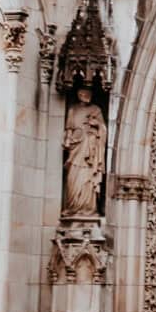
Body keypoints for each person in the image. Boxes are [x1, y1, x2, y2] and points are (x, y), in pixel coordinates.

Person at [63, 86, 107, 217]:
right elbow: (69, 129)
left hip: (90, 148)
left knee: (87, 178)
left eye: (89, 92)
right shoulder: (73, 110)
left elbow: (103, 129)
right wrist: (67, 140)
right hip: (76, 147)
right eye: (83, 92)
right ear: (79, 94)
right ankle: (73, 208)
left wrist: (96, 125)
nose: (87, 94)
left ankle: (88, 209)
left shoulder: (96, 110)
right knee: (73, 178)